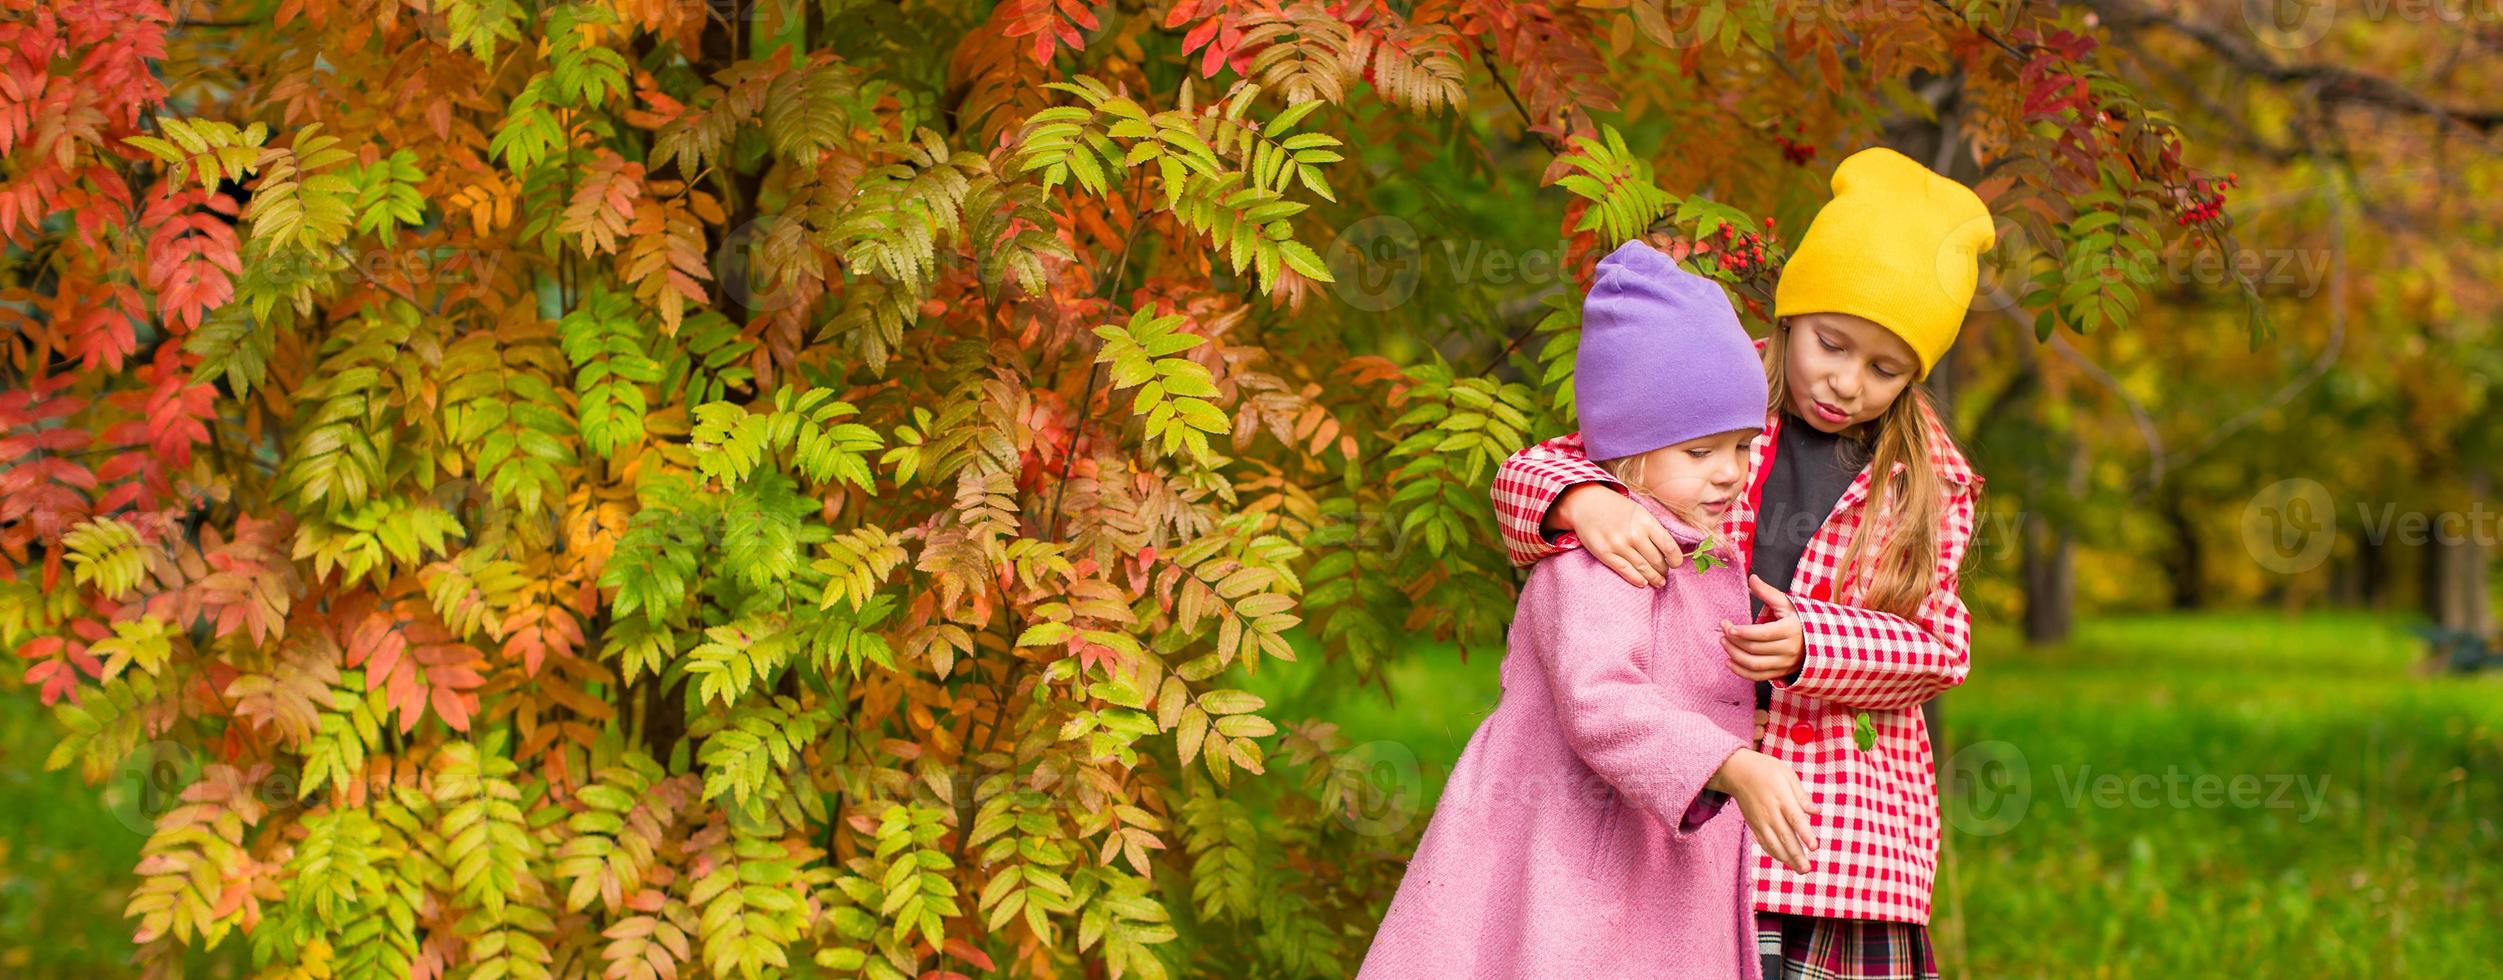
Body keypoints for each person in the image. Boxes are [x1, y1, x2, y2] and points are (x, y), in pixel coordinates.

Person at [1486, 147, 1994, 980]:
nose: (1845, 381)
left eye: (1884, 368)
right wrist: (1583, 501)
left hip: (1844, 827)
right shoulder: (1713, 389)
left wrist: (1812, 647)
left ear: (1915, 374)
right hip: (1699, 803)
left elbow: (1941, 646)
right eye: (1830, 343)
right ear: (1792, 317)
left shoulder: (1929, 480)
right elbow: (1534, 469)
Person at [1360, 241, 1816, 979]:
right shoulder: (1600, 555)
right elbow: (1597, 699)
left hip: (1637, 852)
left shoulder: (1678, 541)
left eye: (1741, 445)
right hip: (1578, 853)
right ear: (1628, 452)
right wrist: (1730, 765)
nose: (1730, 472)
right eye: (1700, 452)